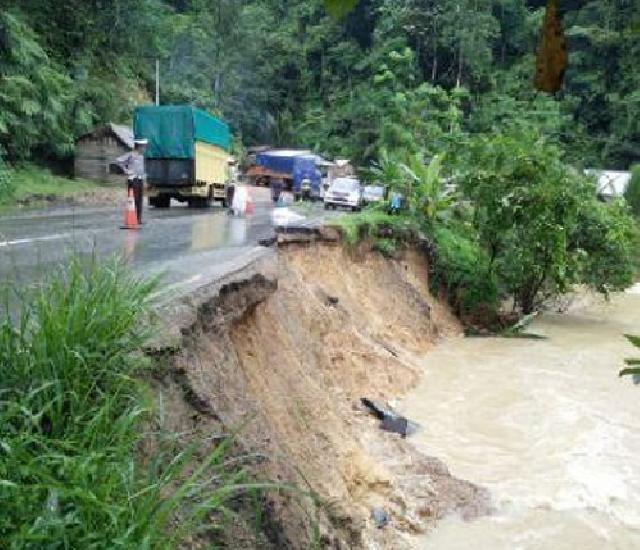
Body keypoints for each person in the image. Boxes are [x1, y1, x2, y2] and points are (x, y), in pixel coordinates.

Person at [115, 139, 147, 224]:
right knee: (134, 199)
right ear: (139, 147)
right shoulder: (130, 155)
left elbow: (141, 169)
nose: (145, 149)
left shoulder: (141, 156)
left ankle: (138, 219)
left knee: (140, 200)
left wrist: (144, 179)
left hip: (140, 179)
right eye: (143, 147)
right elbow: (118, 161)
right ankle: (132, 218)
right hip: (133, 180)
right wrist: (126, 170)